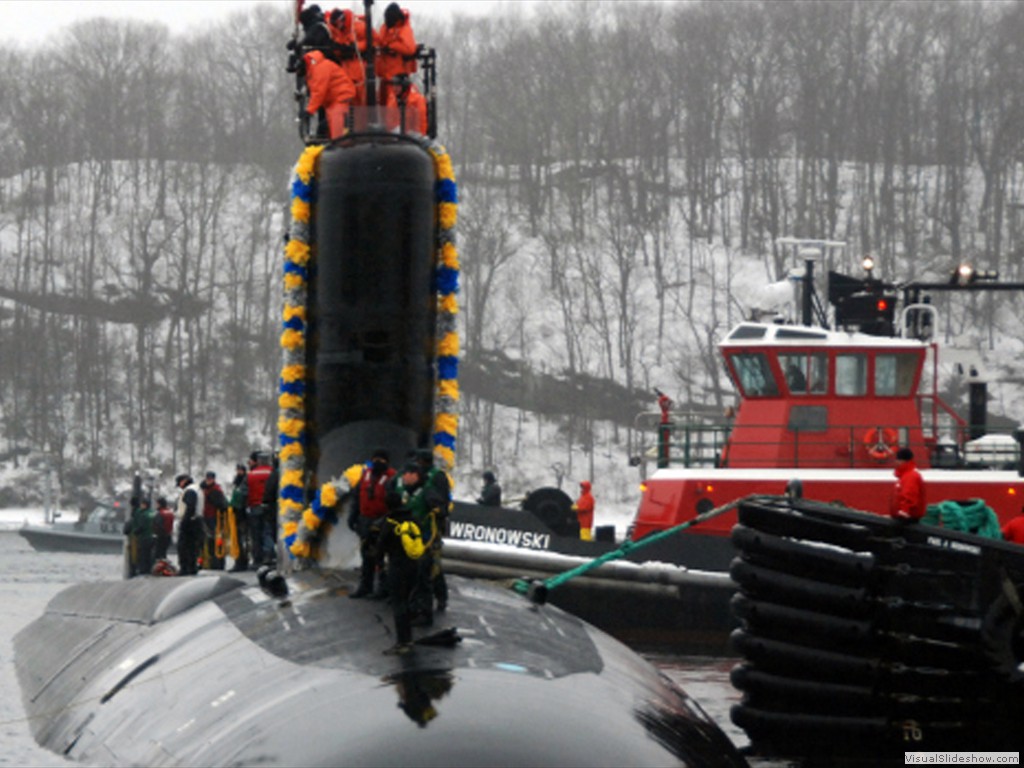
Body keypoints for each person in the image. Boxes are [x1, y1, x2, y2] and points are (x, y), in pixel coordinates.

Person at [377, 462, 430, 654]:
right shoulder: (413, 518)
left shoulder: (389, 522)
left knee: (398, 604)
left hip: (397, 567)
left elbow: (380, 548)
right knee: (408, 602)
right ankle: (409, 639)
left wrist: (379, 567)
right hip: (414, 565)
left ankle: (403, 642)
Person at [349, 448, 396, 598]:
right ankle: (366, 586)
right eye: (376, 460)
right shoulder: (366, 475)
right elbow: (357, 497)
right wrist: (353, 516)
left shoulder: (391, 478)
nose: (378, 463)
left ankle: (383, 588)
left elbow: (394, 503)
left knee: (380, 556)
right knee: (366, 555)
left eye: (381, 461)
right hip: (365, 519)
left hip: (382, 521)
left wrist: (383, 522)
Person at [415, 449, 451, 614]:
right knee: (419, 566)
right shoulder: (418, 476)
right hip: (419, 526)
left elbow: (443, 503)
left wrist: (438, 513)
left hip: (432, 527)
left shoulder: (437, 477)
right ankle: (418, 599)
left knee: (433, 566)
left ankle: (441, 597)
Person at [303, 47, 356, 139]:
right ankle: (336, 143)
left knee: (337, 129)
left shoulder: (319, 69)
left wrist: (309, 111)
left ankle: (339, 144)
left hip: (340, 98)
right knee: (332, 126)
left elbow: (318, 92)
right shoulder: (314, 69)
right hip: (334, 100)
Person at [374, 3, 417, 105]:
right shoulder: (384, 28)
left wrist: (392, 46)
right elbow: (380, 41)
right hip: (384, 76)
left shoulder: (404, 29)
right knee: (382, 106)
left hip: (396, 77)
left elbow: (410, 49)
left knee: (392, 107)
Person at [327, 8, 367, 104]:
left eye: (337, 24)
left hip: (359, 69)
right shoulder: (340, 32)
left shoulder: (359, 26)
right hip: (346, 71)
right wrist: (338, 49)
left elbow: (373, 41)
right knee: (348, 100)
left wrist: (355, 47)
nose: (337, 27)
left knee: (361, 101)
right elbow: (338, 46)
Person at [246, 452, 274, 567]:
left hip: (254, 506)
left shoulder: (251, 475)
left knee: (255, 534)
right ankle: (269, 555)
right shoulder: (273, 472)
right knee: (267, 531)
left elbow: (245, 491)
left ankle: (257, 558)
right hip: (269, 506)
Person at [175, 474, 205, 575]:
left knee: (184, 546)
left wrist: (184, 521)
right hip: (197, 521)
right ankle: (192, 567)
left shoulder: (190, 490)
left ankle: (185, 568)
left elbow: (190, 506)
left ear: (184, 481)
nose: (179, 486)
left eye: (179, 483)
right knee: (192, 547)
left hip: (190, 521)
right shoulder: (198, 489)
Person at [199, 471, 229, 570]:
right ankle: (210, 561)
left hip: (213, 517)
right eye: (208, 478)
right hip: (207, 516)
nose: (208, 480)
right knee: (209, 540)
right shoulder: (205, 489)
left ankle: (216, 561)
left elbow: (221, 504)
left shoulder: (215, 490)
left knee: (214, 539)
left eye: (210, 479)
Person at [890, 447, 925, 521]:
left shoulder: (910, 476)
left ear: (903, 461)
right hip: (903, 516)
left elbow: (909, 494)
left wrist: (904, 511)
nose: (896, 462)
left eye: (898, 460)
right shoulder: (905, 475)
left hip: (907, 518)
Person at [127, 496, 156, 577]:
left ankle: (142, 570)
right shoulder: (152, 513)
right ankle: (149, 569)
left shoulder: (143, 514)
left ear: (145, 505)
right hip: (152, 537)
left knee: (142, 555)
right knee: (149, 555)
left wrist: (135, 532)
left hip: (144, 537)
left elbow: (141, 526)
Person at [228, 463, 250, 571]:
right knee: (238, 539)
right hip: (237, 514)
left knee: (241, 539)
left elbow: (242, 497)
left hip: (242, 515)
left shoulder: (244, 483)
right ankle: (240, 560)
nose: (238, 472)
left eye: (240, 470)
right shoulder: (238, 483)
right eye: (237, 470)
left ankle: (241, 561)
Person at [261, 454, 280, 566]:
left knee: (269, 532)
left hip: (272, 508)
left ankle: (269, 555)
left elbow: (268, 492)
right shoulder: (286, 475)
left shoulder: (273, 475)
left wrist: (265, 502)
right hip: (283, 507)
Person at [154, 496, 175, 562]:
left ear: (160, 504)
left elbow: (158, 525)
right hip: (168, 536)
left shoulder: (160, 513)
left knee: (158, 555)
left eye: (157, 504)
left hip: (160, 537)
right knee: (164, 554)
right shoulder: (170, 513)